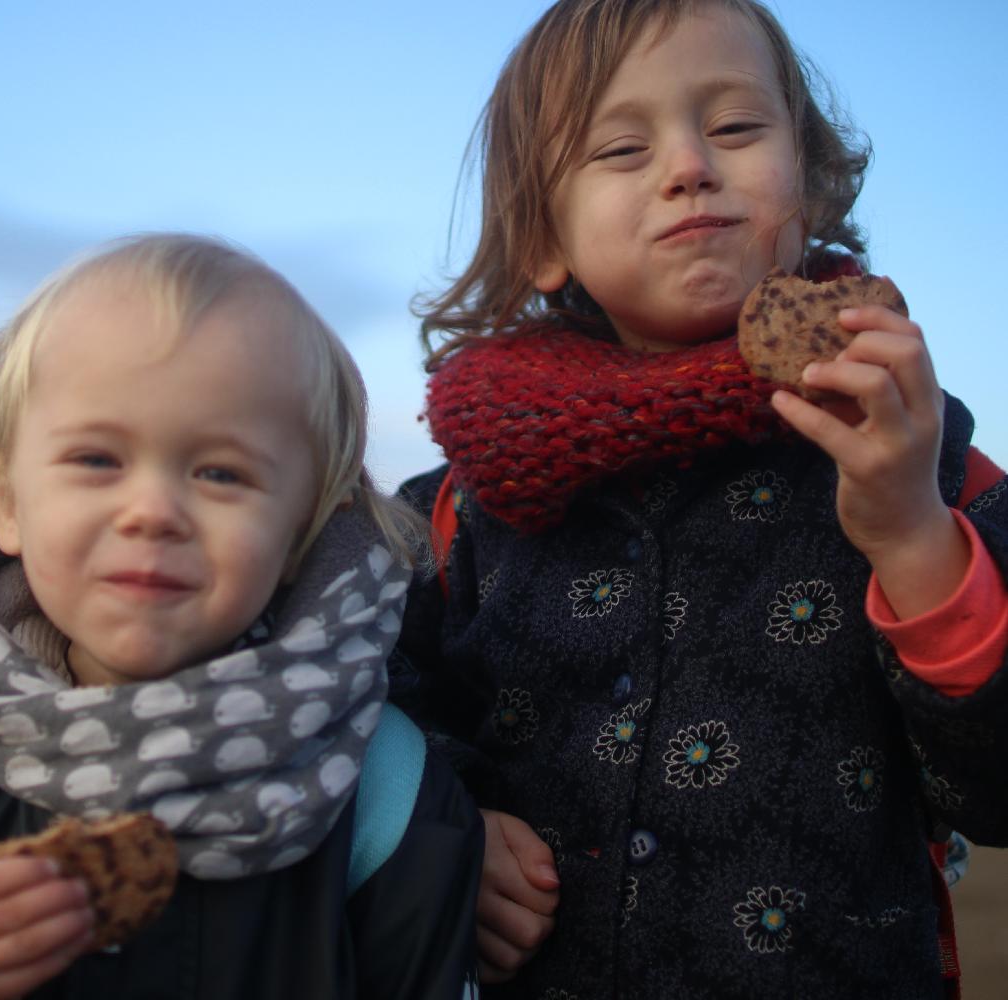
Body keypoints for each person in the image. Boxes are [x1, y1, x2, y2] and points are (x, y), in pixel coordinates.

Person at [390, 1, 1008, 996]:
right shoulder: (468, 502)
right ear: (546, 237)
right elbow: (361, 709)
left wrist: (912, 539)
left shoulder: (916, 454)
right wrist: (444, 819)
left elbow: (997, 796)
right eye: (622, 146)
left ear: (807, 182)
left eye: (734, 127)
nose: (688, 165)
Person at [0, 234, 483, 999]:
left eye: (220, 472)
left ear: (302, 531)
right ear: (7, 500)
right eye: (97, 460)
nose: (152, 511)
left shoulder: (375, 780)